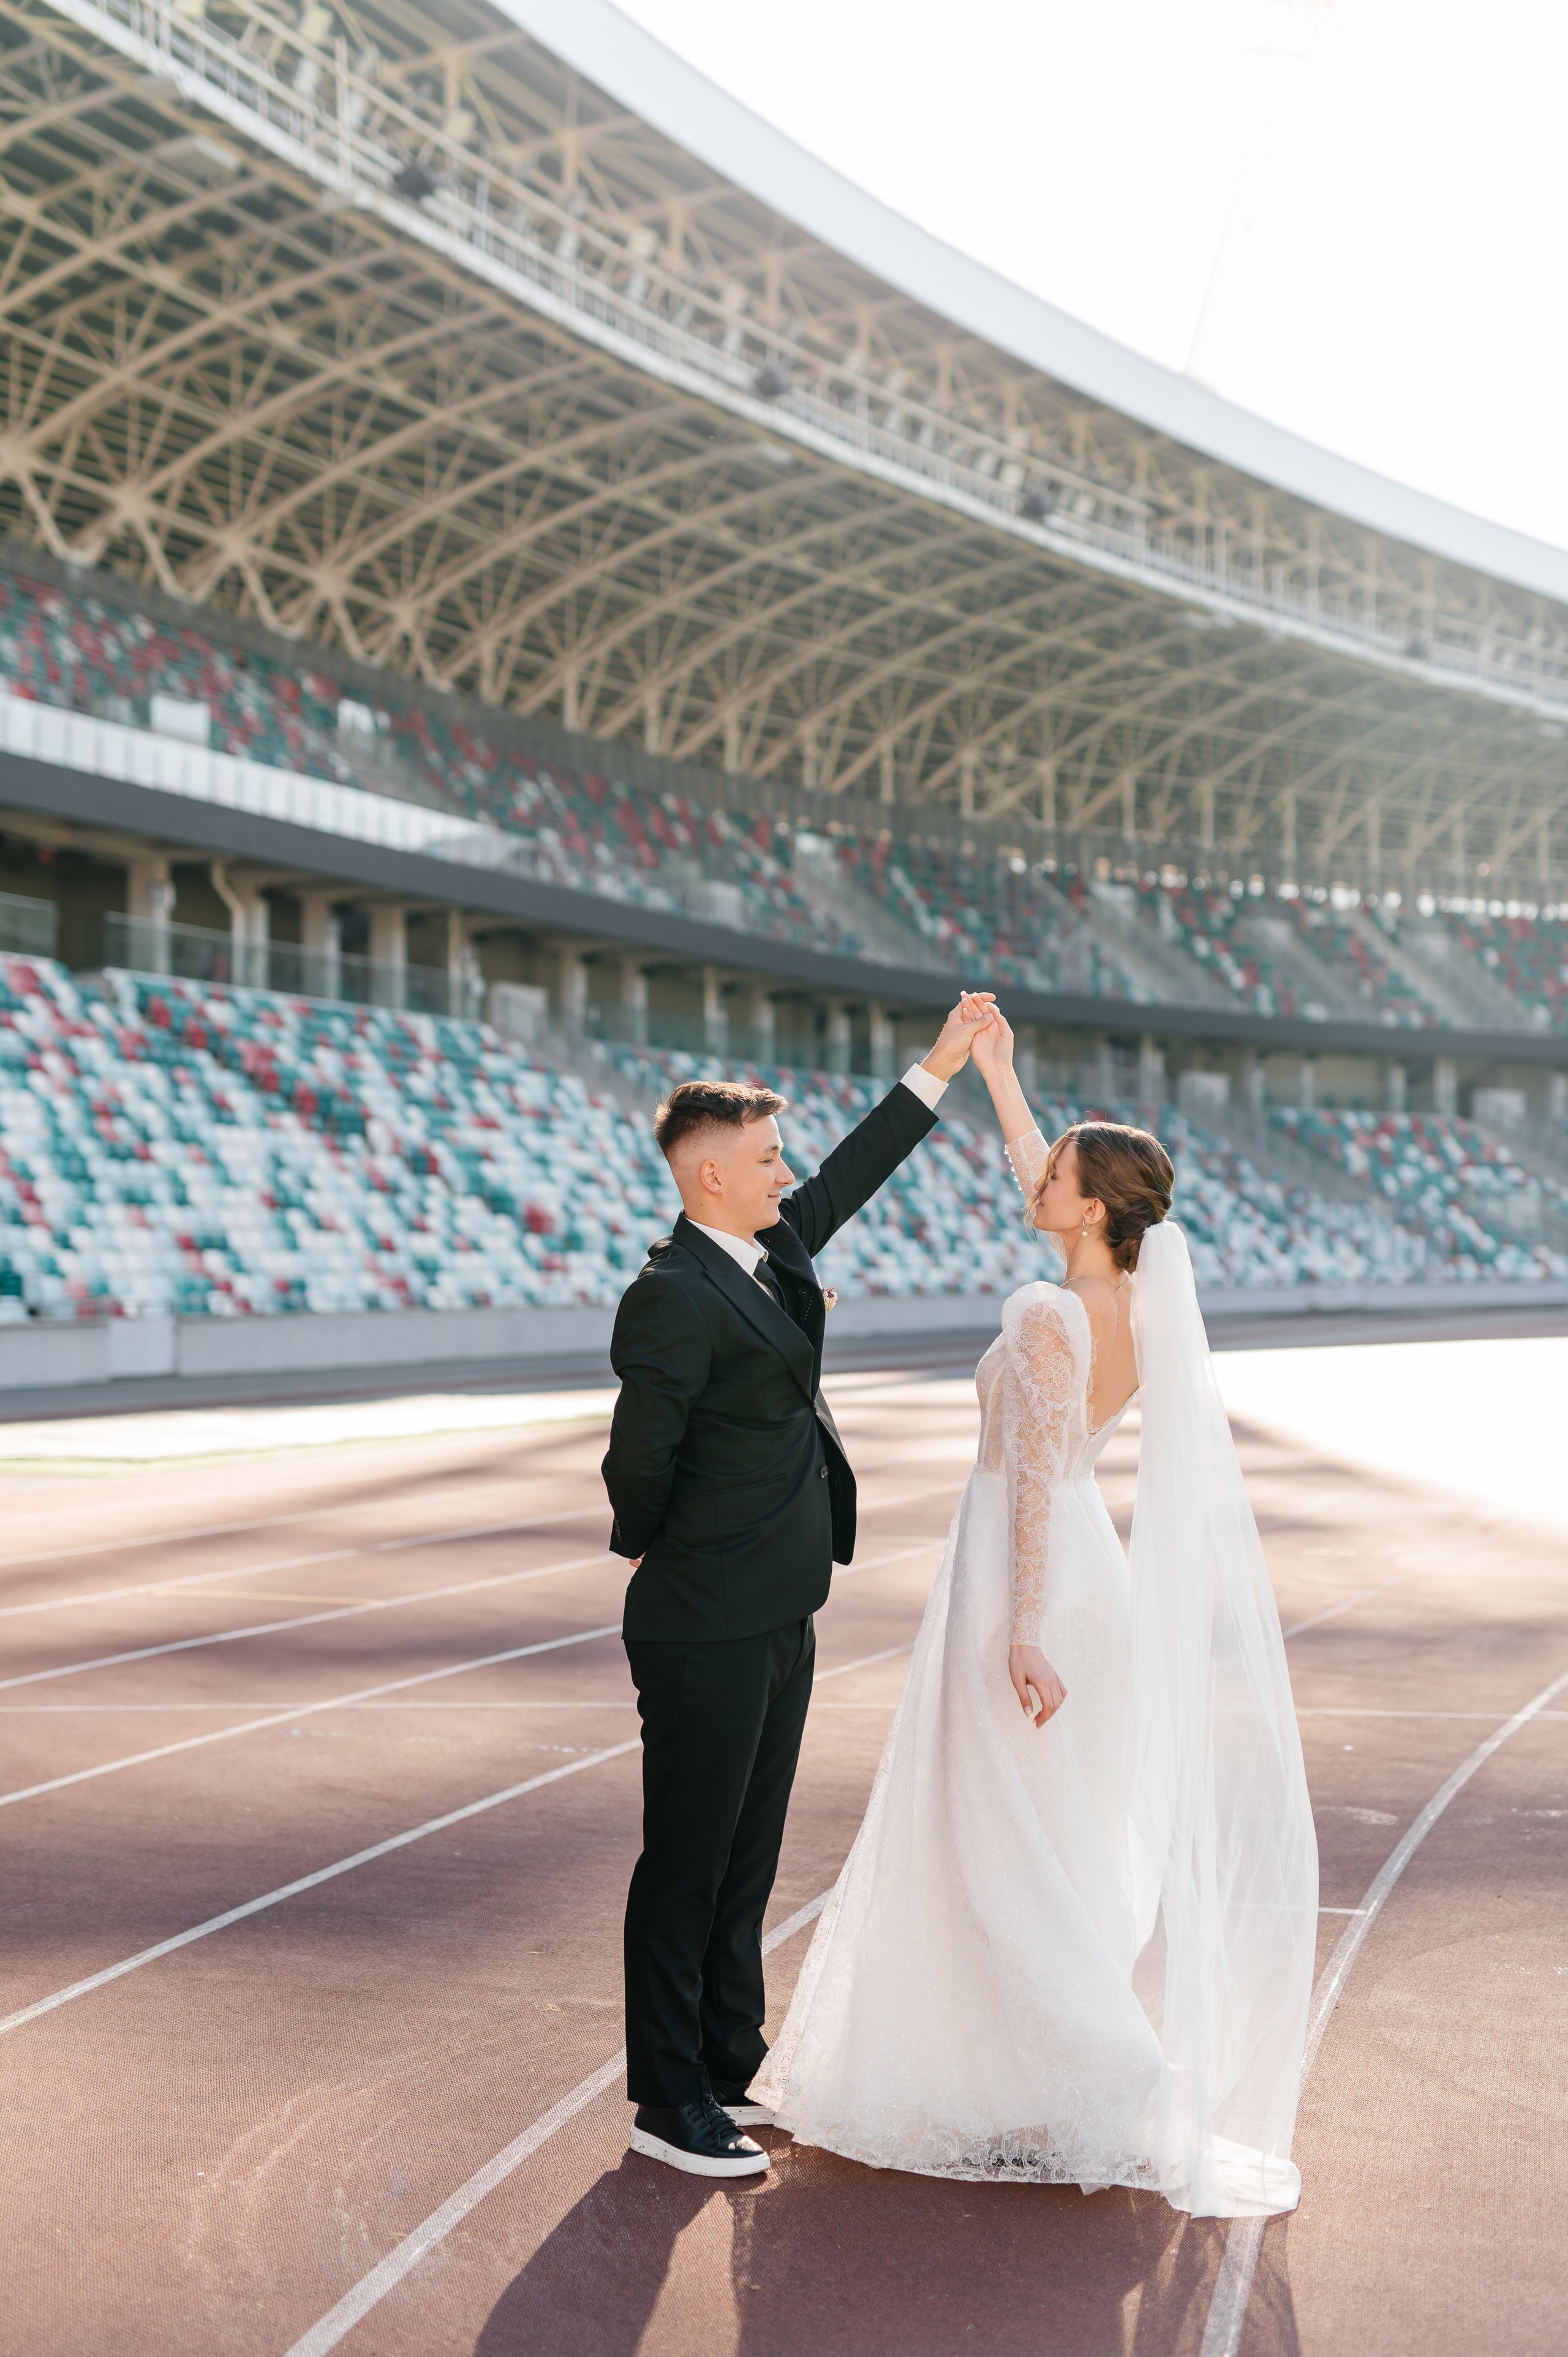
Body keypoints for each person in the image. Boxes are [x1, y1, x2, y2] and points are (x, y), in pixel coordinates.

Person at [752, 1003, 1319, 2219]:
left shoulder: (1045, 1313)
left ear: (1093, 1206)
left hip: (1028, 1580)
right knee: (1040, 1835)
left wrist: (1018, 1628)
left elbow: (1027, 1485)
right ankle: (1014, 2073)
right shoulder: (1124, 1303)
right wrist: (1002, 1078)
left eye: (1054, 1173)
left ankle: (1103, 2069)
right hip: (1076, 1571)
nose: (1033, 1180)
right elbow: (1037, 1182)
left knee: (995, 1834)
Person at [601, 997, 997, 2181]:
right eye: (769, 1160)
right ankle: (666, 2099)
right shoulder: (671, 1291)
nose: (788, 1174)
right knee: (686, 1856)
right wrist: (663, 1548)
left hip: (783, 1603)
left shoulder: (773, 1248)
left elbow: (854, 1171)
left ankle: (729, 2059)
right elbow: (638, 1459)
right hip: (706, 1613)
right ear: (711, 1177)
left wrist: (940, 1066)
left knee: (748, 1850)